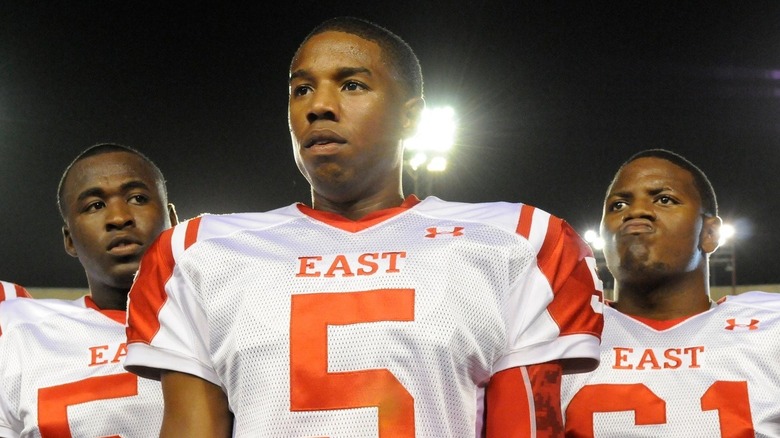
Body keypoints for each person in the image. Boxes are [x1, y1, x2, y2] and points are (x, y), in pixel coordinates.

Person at [124, 17, 604, 437]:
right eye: (301, 89)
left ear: (411, 117)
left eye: (351, 84)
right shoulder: (201, 252)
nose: (319, 106)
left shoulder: (515, 244)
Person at [561, 149, 780, 437]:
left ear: (710, 233)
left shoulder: (770, 329)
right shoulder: (562, 334)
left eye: (665, 199)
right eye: (617, 205)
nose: (634, 211)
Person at [0, 143, 177, 437]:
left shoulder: (224, 319)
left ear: (173, 219)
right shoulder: (20, 336)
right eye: (95, 205)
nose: (119, 218)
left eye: (137, 198)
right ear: (69, 240)